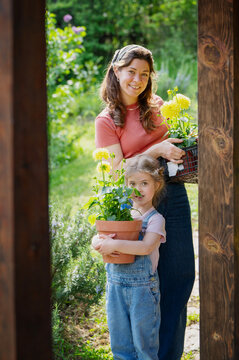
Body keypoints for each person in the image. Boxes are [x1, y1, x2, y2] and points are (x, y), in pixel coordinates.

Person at [94, 44, 195, 360]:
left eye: (144, 74)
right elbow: (113, 175)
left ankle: (167, 355)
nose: (137, 79)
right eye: (131, 72)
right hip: (137, 205)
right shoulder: (107, 120)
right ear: (116, 72)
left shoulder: (158, 106)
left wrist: (182, 146)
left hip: (173, 196)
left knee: (179, 277)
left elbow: (175, 146)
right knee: (144, 286)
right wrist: (156, 150)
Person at [92, 154, 166, 360]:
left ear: (157, 185)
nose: (138, 189)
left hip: (142, 291)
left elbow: (145, 247)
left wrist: (113, 244)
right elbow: (97, 235)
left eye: (144, 183)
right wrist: (98, 243)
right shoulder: (118, 214)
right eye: (132, 183)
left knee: (144, 347)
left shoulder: (155, 219)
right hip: (115, 286)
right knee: (120, 345)